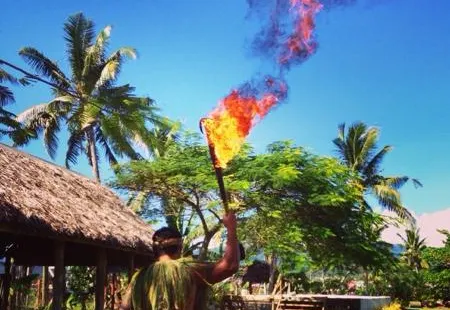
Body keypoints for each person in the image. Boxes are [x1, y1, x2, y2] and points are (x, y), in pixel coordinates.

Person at [120, 211, 239, 310]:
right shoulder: (188, 270)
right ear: (179, 248)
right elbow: (230, 265)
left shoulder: (139, 278)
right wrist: (231, 228)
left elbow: (124, 307)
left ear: (155, 249)